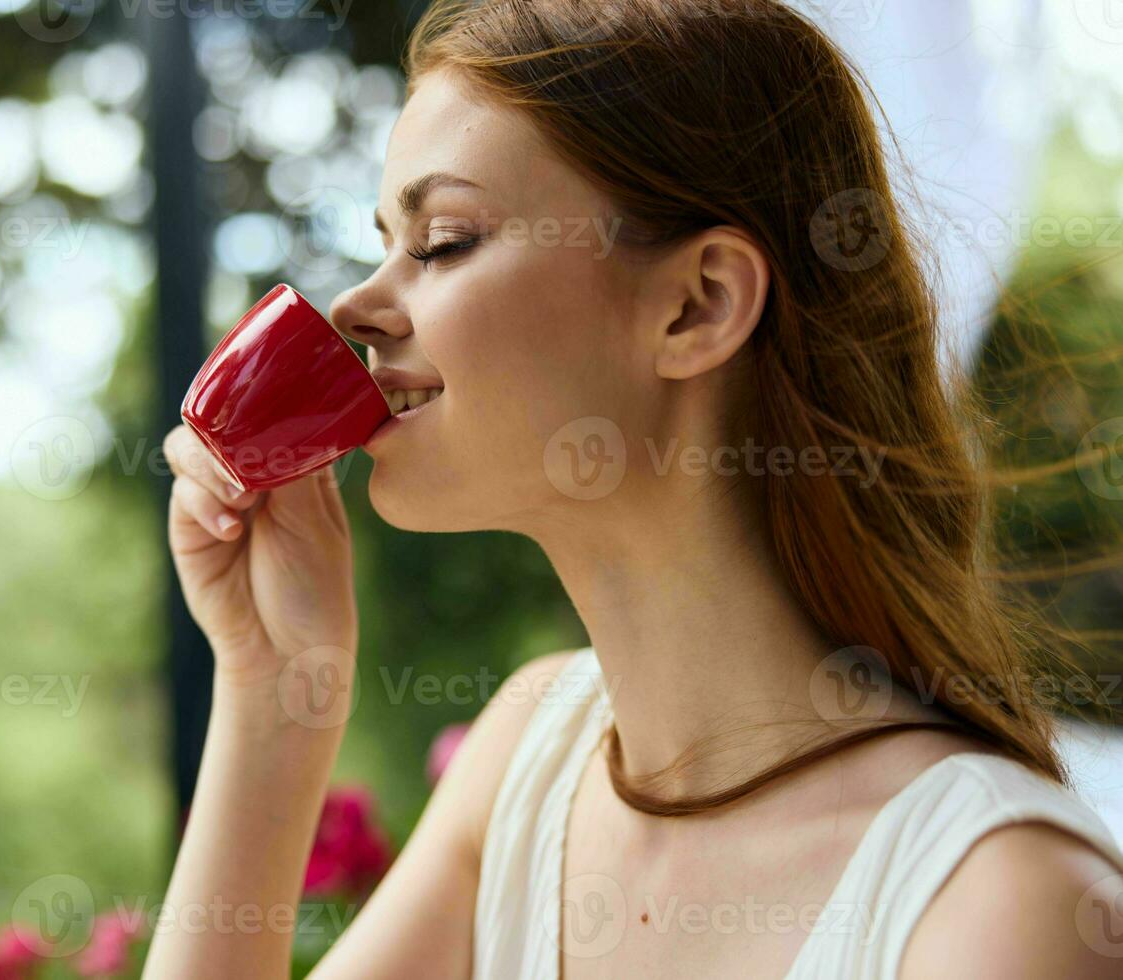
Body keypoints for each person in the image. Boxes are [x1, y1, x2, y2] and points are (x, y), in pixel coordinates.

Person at [149, 1, 1123, 977]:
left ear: (699, 304)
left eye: (442, 240)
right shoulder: (529, 761)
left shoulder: (1002, 904)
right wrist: (275, 687)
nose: (357, 304)